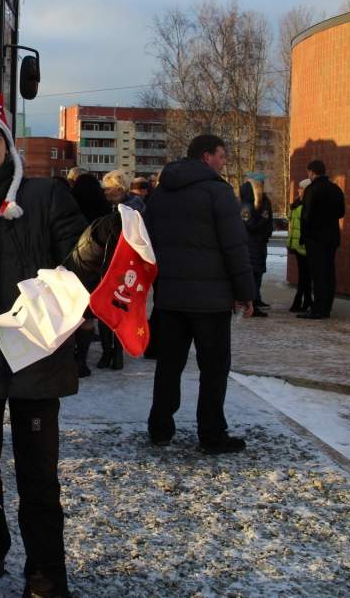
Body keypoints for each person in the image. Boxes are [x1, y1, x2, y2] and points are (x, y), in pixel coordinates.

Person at [0, 94, 86, 598]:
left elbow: (77, 260)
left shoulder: (46, 196)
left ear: (9, 145)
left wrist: (96, 250)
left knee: (37, 471)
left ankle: (46, 570)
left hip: (35, 353)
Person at [145, 134, 255, 455]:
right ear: (207, 156)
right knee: (214, 369)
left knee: (168, 365)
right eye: (222, 155)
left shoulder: (161, 192)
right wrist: (245, 293)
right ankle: (211, 434)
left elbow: (147, 242)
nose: (224, 161)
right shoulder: (218, 192)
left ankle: (160, 428)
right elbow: (235, 247)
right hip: (211, 301)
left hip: (170, 298)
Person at [96, 170, 143, 369]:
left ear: (119, 187)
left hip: (125, 265)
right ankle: (109, 352)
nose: (104, 192)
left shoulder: (130, 209)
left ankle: (116, 353)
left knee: (119, 308)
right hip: (110, 264)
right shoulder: (112, 206)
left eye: (108, 189)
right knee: (106, 308)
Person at [69, 174, 112, 377]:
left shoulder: (70, 205)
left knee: (69, 315)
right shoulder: (104, 207)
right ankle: (82, 361)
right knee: (87, 317)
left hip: (73, 265)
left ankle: (69, 357)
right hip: (96, 268)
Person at [298, 159, 345, 320]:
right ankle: (327, 307)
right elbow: (341, 212)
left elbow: (306, 216)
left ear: (312, 172)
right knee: (329, 272)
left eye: (308, 173)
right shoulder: (336, 189)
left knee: (317, 274)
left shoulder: (312, 190)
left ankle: (318, 309)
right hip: (331, 237)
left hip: (315, 239)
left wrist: (304, 236)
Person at [239, 178, 274, 317]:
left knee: (258, 272)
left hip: (257, 243)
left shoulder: (257, 202)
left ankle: (255, 300)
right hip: (252, 244)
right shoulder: (247, 205)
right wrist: (263, 219)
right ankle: (252, 304)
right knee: (254, 274)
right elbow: (249, 225)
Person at [286, 179, 313, 313]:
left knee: (305, 276)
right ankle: (305, 301)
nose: (299, 190)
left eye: (301, 188)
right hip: (297, 245)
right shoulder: (297, 204)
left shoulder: (306, 205)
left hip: (303, 245)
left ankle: (301, 301)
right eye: (299, 188)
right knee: (304, 275)